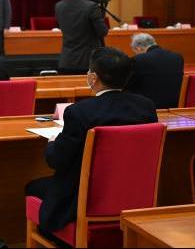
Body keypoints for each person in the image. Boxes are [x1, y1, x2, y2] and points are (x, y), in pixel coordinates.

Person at [25, 47, 157, 235]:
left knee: (33, 187)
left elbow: (56, 161)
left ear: (93, 78)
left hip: (87, 197)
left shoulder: (80, 112)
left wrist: (53, 143)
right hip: (135, 193)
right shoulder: (146, 107)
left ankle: (55, 239)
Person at [55, 0, 108, 74]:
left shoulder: (58, 6)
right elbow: (103, 32)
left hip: (67, 61)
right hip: (88, 62)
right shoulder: (91, 6)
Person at [126, 33, 184, 109]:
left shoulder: (139, 59)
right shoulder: (177, 57)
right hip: (176, 105)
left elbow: (128, 84)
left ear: (138, 48)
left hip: (149, 107)